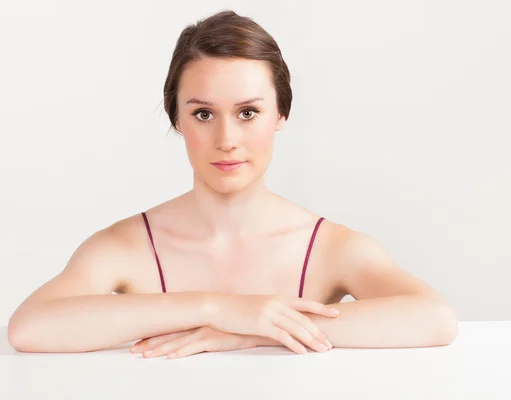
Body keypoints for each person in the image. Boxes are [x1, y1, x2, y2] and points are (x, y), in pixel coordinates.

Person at [7, 9, 457, 359]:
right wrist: (217, 308)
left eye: (248, 113)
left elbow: (434, 319)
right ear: (177, 119)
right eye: (203, 114)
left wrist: (254, 333)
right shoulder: (124, 246)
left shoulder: (332, 246)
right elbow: (29, 328)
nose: (226, 140)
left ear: (281, 114)